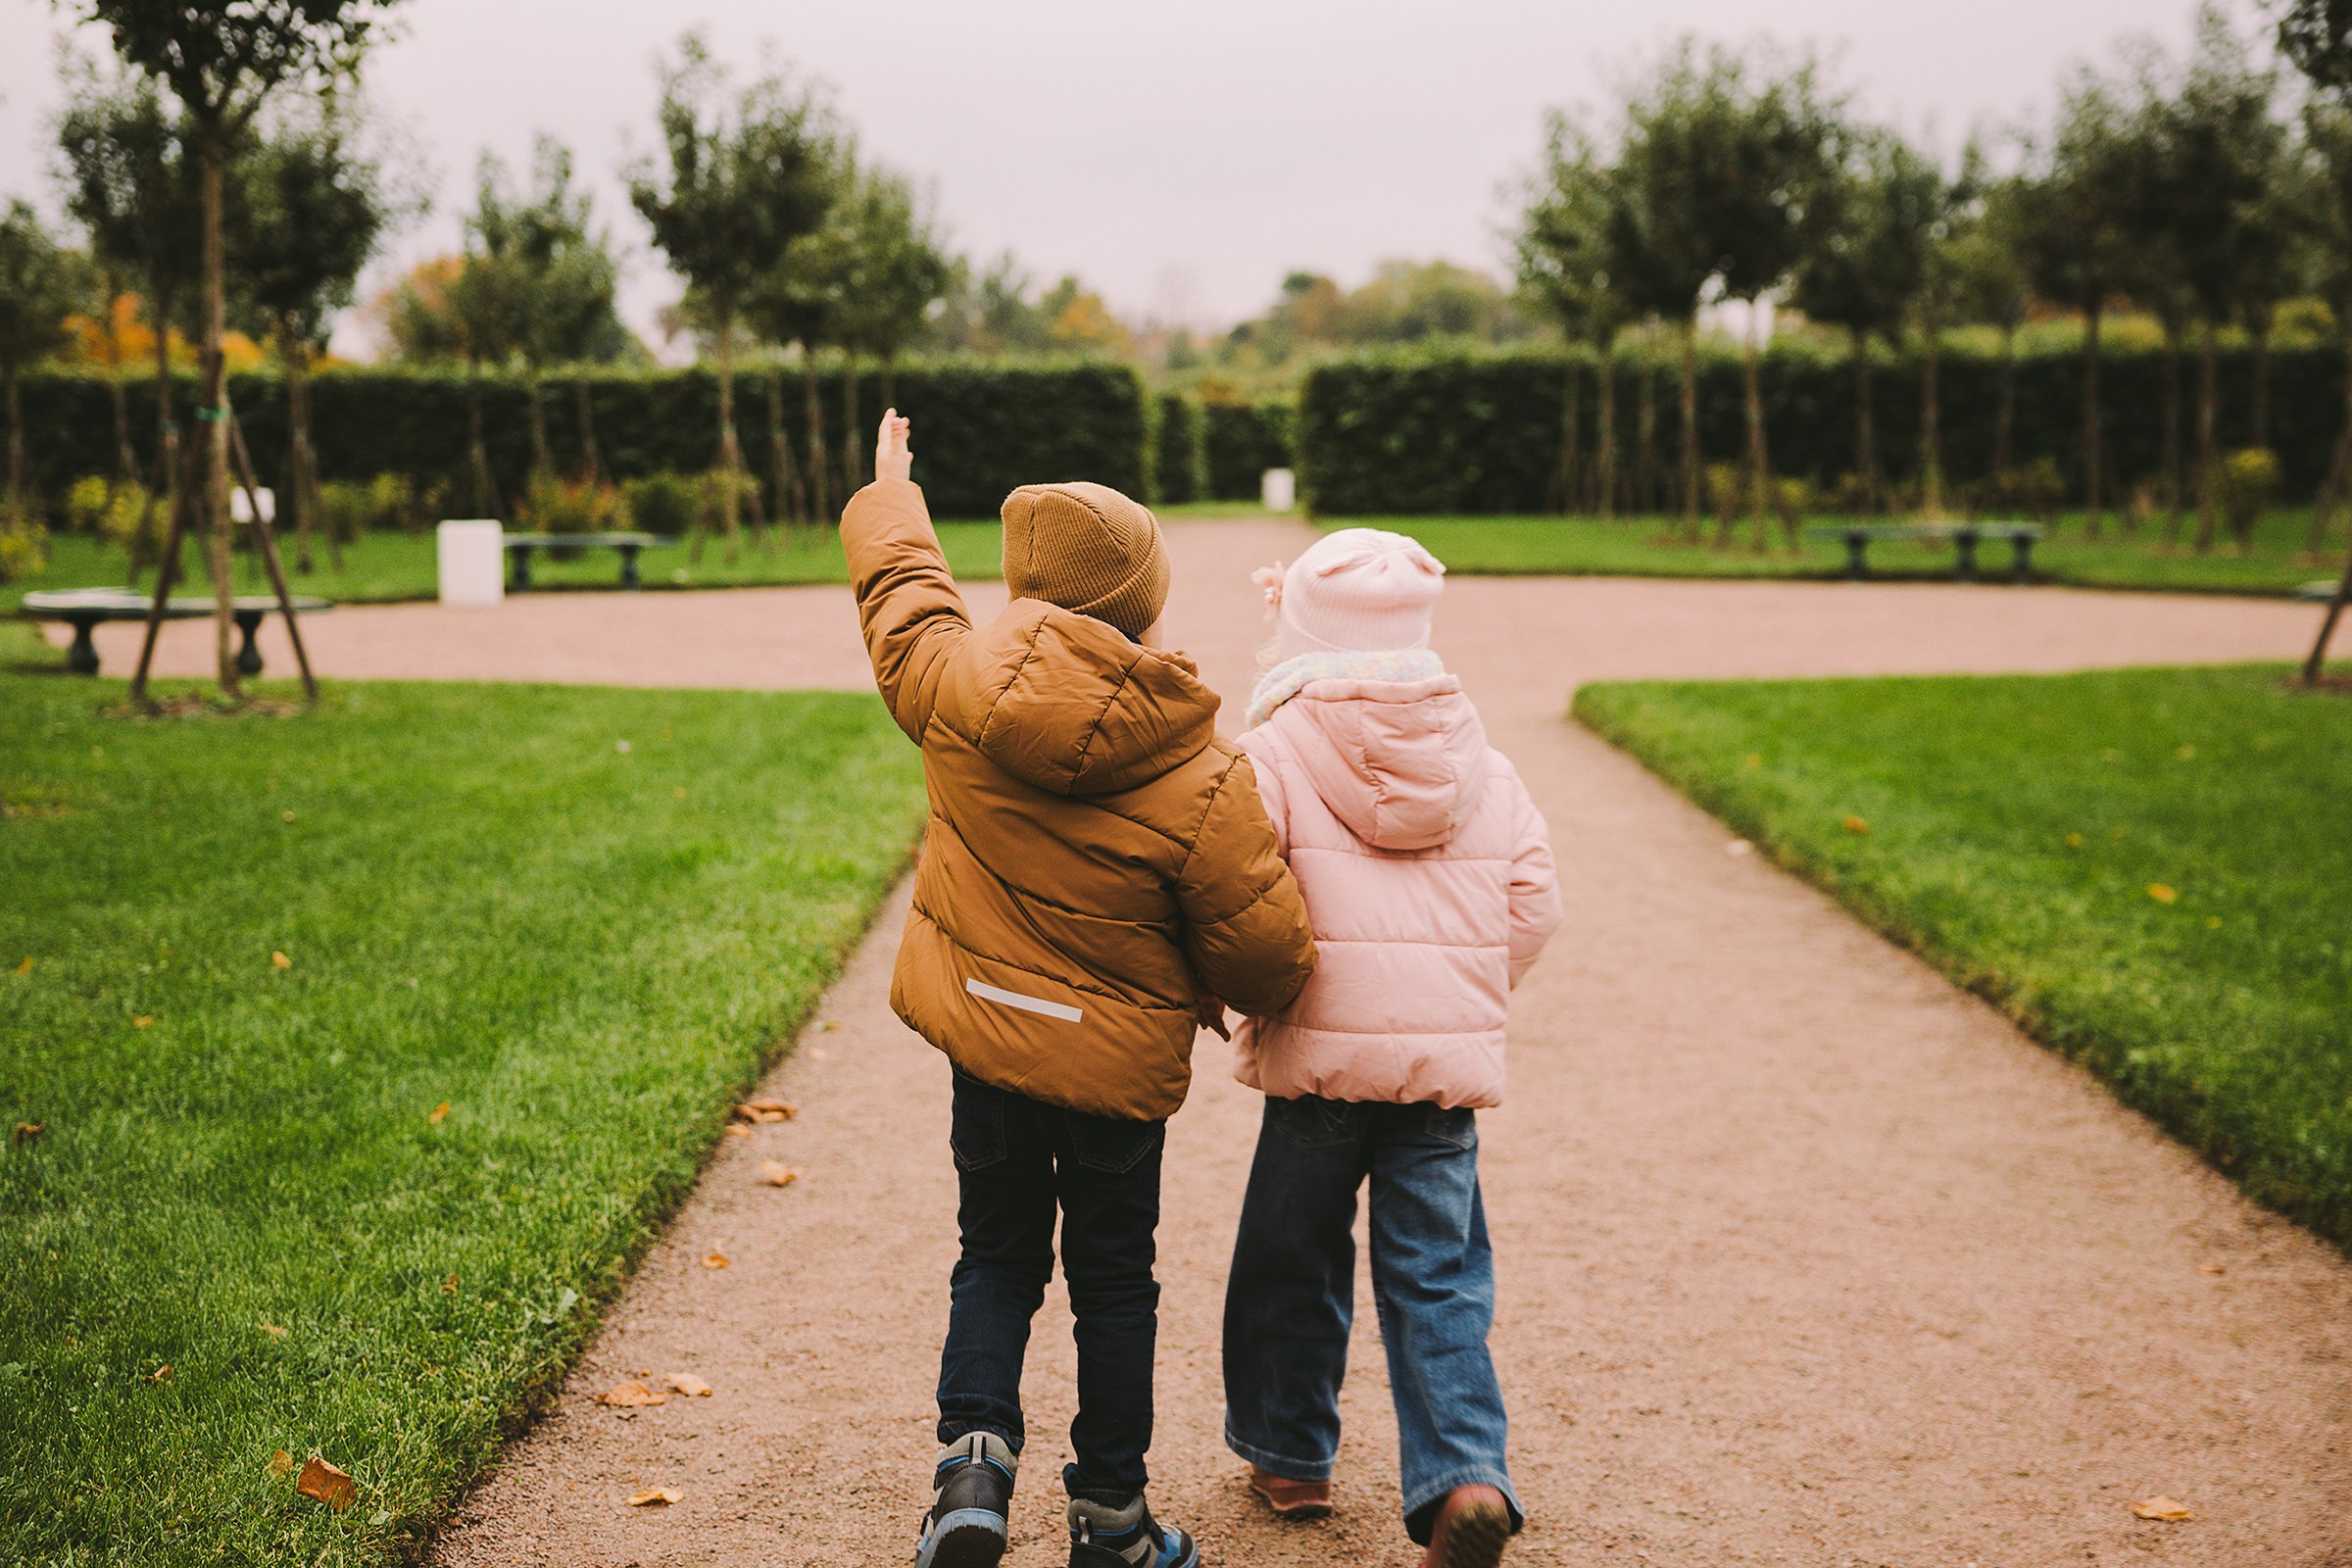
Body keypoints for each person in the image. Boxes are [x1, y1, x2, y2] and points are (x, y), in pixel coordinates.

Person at [840, 411, 1319, 1568]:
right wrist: (1215, 979)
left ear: (1025, 588)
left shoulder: (955, 686)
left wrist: (891, 489)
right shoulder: (1201, 768)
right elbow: (1267, 957)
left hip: (989, 1045)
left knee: (994, 1251)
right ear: (1143, 605)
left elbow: (905, 597)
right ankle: (1110, 1516)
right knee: (1115, 1281)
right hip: (1114, 1080)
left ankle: (971, 1467)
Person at [1217, 528, 1561, 1568]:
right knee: (1440, 1274)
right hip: (1438, 1080)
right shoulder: (1483, 759)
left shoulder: (1271, 752)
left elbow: (1243, 899)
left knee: (1291, 1256)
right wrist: (1458, 991)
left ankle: (1289, 1455)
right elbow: (1535, 900)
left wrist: (1266, 997)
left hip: (1319, 1068)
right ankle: (1463, 1474)